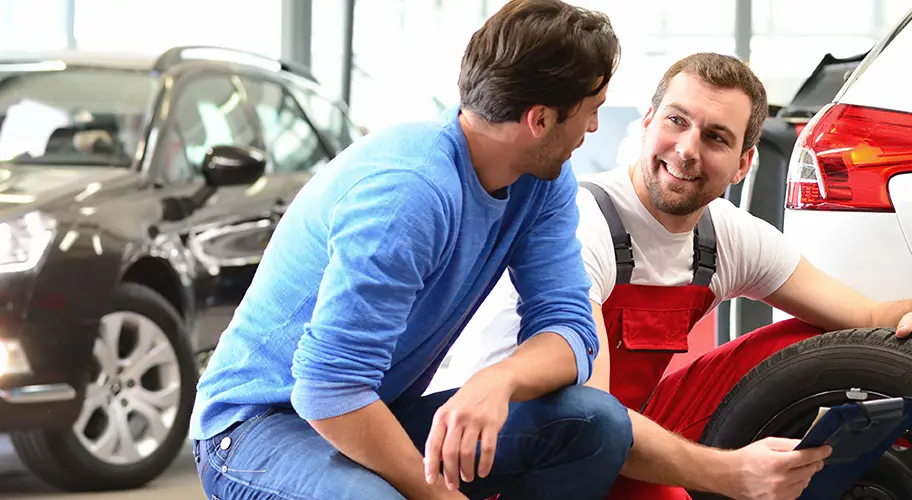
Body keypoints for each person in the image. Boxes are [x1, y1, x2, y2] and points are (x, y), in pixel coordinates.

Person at [427, 52, 912, 500]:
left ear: (744, 162)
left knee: (812, 342)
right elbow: (590, 416)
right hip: (514, 442)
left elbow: (867, 320)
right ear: (648, 122)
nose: (687, 150)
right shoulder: (583, 222)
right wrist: (728, 474)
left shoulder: (725, 235)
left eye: (716, 137)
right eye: (676, 122)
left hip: (628, 423)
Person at [188, 1, 634, 499]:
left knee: (594, 425)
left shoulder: (541, 180)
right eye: (590, 111)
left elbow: (570, 328)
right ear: (540, 118)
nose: (593, 128)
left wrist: (501, 379)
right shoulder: (410, 193)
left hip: (373, 409)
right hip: (258, 427)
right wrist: (439, 496)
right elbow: (326, 389)